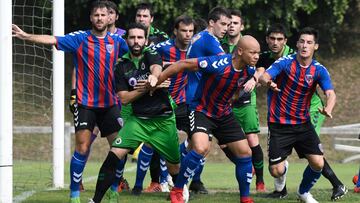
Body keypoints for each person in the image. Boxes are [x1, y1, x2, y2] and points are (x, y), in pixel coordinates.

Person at [12, 2, 129, 203]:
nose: (100, 18)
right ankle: (74, 195)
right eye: (96, 15)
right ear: (91, 18)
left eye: (103, 14)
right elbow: (53, 39)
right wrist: (26, 36)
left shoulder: (118, 42)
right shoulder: (80, 39)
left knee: (121, 148)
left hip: (110, 104)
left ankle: (113, 190)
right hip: (85, 104)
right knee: (82, 148)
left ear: (109, 17)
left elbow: (134, 57)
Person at [157, 35, 260, 203]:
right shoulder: (218, 64)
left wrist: (256, 79)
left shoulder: (248, 70)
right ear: (240, 51)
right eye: (253, 52)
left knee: (245, 152)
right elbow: (182, 64)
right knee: (200, 148)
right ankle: (177, 189)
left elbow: (248, 80)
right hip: (201, 111)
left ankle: (245, 198)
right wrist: (157, 80)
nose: (256, 56)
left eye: (258, 53)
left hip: (224, 114)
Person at [88, 23, 182, 203]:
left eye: (140, 37)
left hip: (163, 120)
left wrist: (155, 76)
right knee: (113, 155)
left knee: (174, 166)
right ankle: (95, 200)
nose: (136, 41)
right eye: (132, 37)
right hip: (138, 121)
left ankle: (180, 191)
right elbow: (124, 98)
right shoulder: (121, 66)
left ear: (145, 40)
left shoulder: (151, 53)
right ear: (127, 40)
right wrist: (147, 87)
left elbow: (156, 67)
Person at [259, 23, 347, 201]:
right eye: (302, 42)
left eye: (309, 42)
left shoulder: (319, 70)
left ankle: (303, 192)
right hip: (279, 124)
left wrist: (328, 108)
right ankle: (282, 166)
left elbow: (330, 93)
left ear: (315, 46)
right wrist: (268, 82)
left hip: (302, 124)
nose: (305, 45)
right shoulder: (284, 62)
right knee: (276, 171)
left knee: (318, 162)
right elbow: (264, 76)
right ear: (297, 44)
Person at [132, 15, 195, 195]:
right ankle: (139, 185)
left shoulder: (196, 48)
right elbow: (145, 61)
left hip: (185, 103)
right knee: (152, 144)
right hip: (162, 101)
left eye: (191, 31)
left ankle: (171, 179)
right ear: (175, 31)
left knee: (197, 142)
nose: (187, 34)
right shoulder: (161, 47)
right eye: (184, 30)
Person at [182, 6, 231, 194]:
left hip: (196, 95)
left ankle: (190, 181)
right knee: (201, 146)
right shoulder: (210, 40)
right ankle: (180, 181)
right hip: (199, 99)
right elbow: (226, 65)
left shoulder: (200, 37)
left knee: (197, 145)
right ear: (212, 22)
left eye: (228, 24)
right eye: (223, 24)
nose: (226, 28)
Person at [220, 9, 267, 192]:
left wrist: (255, 78)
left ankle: (260, 182)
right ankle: (247, 166)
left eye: (235, 23)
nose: (231, 26)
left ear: (242, 26)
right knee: (223, 142)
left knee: (252, 139)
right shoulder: (220, 46)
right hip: (225, 103)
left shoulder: (250, 45)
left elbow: (262, 67)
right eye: (228, 23)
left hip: (246, 102)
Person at [130, 2, 171, 193]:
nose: (141, 19)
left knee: (157, 142)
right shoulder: (129, 38)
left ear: (151, 19)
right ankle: (124, 182)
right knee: (128, 142)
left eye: (145, 16)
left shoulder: (162, 38)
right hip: (133, 95)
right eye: (139, 16)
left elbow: (168, 62)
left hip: (158, 95)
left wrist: (159, 76)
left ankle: (159, 182)